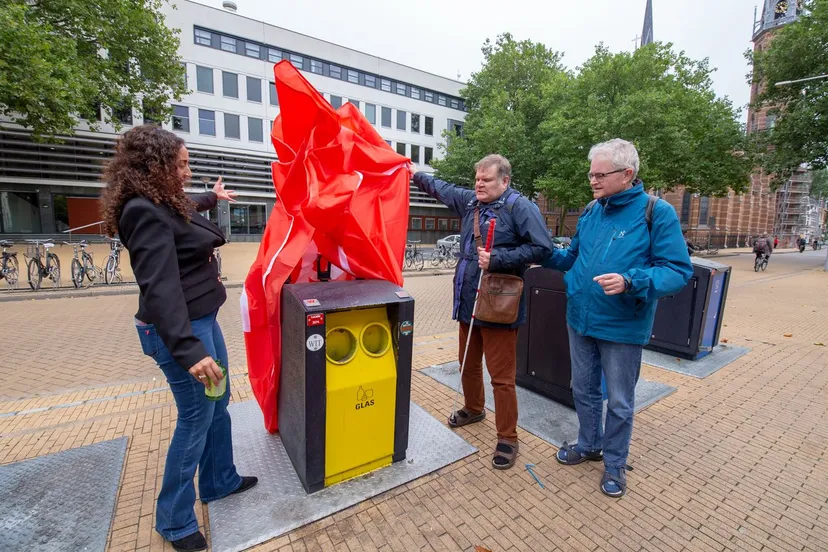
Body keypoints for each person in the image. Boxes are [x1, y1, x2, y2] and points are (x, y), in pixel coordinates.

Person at [100, 126, 257, 552]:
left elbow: (185, 208)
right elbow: (160, 288)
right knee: (195, 418)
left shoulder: (161, 201)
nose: (188, 173)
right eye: (181, 164)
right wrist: (188, 350)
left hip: (201, 320)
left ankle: (219, 480)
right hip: (181, 330)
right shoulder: (142, 211)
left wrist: (213, 197)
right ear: (157, 166)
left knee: (219, 403)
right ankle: (173, 520)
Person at [542, 139, 692, 498]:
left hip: (623, 326)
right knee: (584, 390)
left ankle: (614, 463)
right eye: (590, 174)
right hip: (580, 318)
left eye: (599, 174)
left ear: (627, 174)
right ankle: (588, 444)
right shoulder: (593, 210)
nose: (592, 181)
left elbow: (677, 270)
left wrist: (631, 281)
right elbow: (572, 257)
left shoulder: (656, 212)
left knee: (621, 401)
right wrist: (539, 251)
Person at [412, 155, 553, 470]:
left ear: (504, 181)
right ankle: (474, 409)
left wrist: (499, 258)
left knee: (501, 378)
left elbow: (544, 248)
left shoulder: (520, 207)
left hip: (499, 306)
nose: (478, 184)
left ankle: (507, 437)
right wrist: (415, 173)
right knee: (467, 364)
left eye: (486, 180)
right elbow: (441, 188)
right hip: (467, 302)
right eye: (477, 179)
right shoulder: (471, 203)